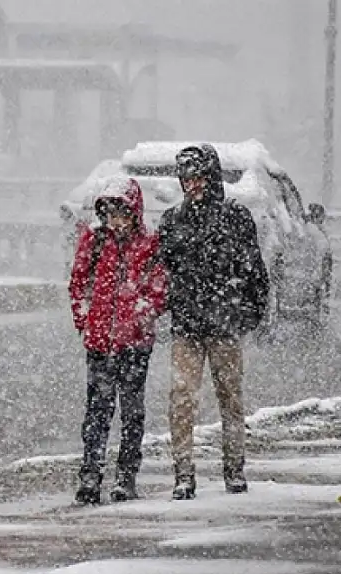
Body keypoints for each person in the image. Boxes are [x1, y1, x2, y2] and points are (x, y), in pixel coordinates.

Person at [157, 144, 270, 500]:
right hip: (188, 325)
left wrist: (249, 314)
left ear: (211, 177)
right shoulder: (172, 220)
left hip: (223, 324)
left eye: (198, 177)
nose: (192, 185)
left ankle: (234, 468)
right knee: (182, 398)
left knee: (230, 398)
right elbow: (163, 271)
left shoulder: (235, 217)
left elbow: (254, 269)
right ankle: (184, 473)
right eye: (187, 178)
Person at [69, 177, 167, 505]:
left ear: (134, 212)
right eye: (110, 213)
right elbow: (78, 284)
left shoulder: (149, 244)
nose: (116, 221)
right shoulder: (95, 242)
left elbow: (158, 290)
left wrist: (138, 320)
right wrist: (85, 320)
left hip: (135, 345)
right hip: (99, 343)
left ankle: (126, 475)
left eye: (121, 213)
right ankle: (91, 474)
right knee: (97, 411)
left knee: (131, 411)